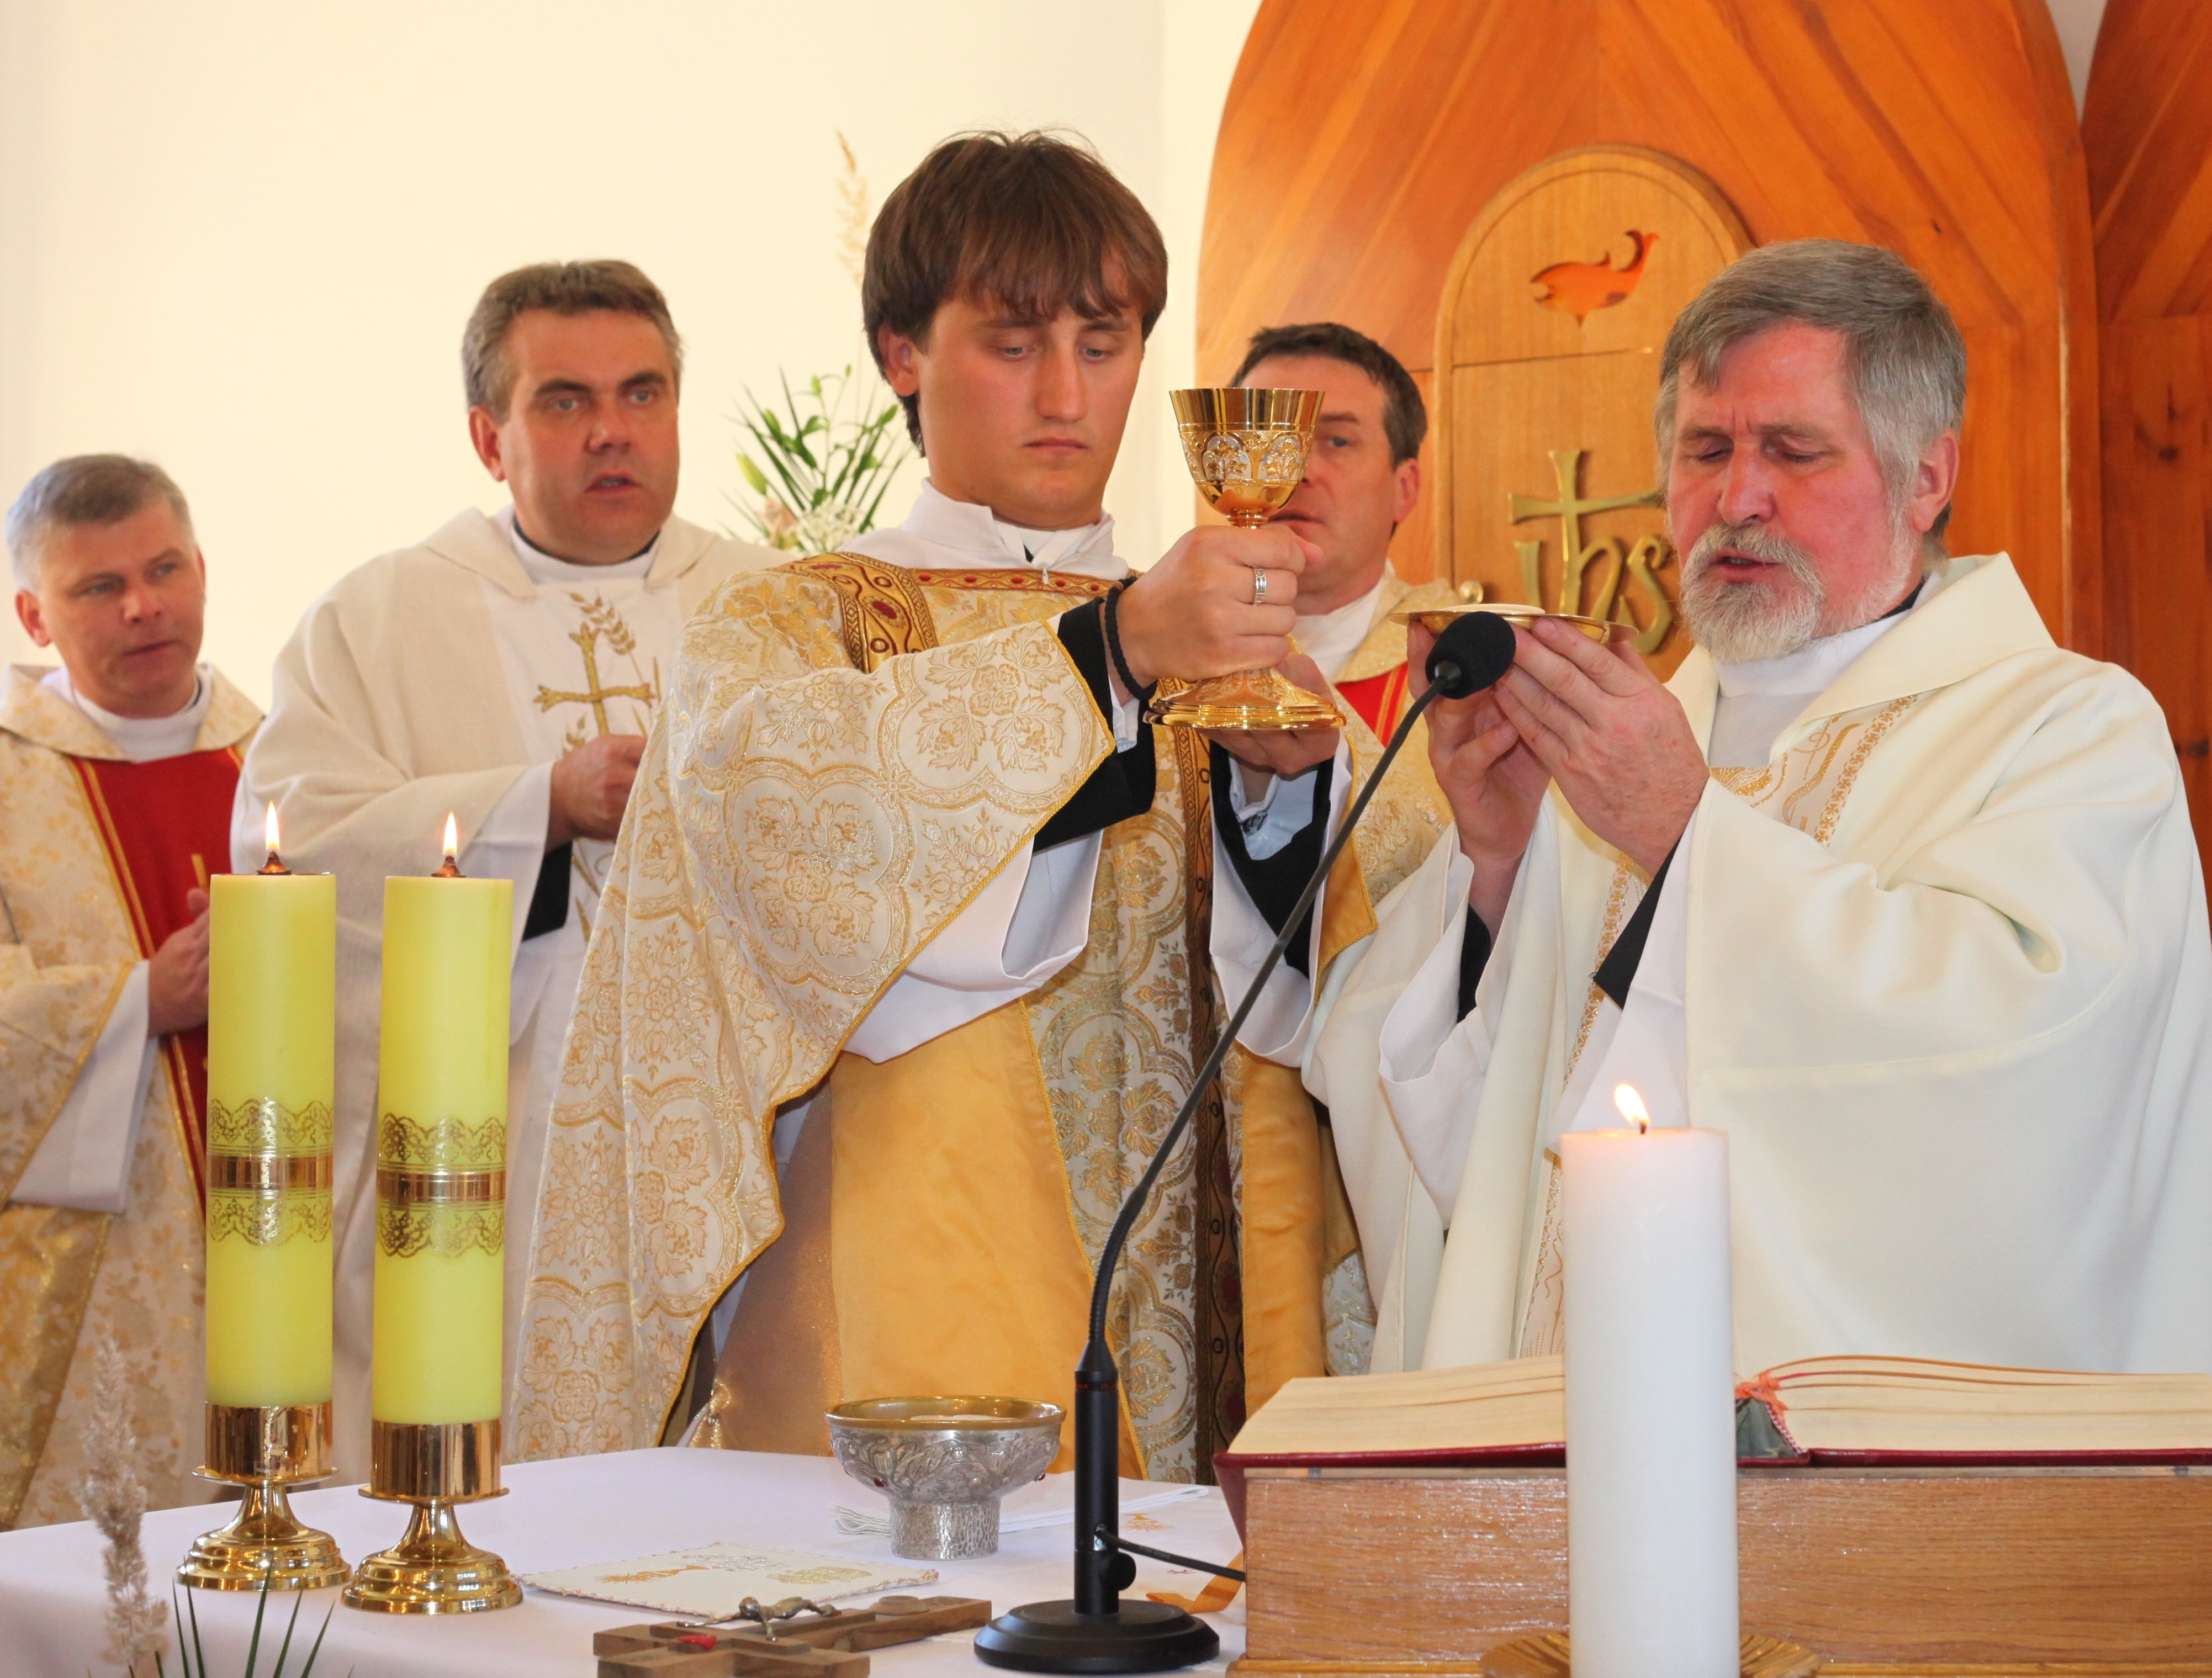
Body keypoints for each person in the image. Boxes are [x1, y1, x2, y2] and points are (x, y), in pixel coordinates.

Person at [513, 132, 1444, 1481]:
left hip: (1211, 1284)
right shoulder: (798, 619)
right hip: (914, 1285)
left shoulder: (1221, 634)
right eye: (1011, 344)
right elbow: (804, 830)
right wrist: (1108, 657)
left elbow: (1345, 976)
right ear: (901, 353)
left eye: (1104, 339)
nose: (1065, 393)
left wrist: (1280, 809)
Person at [1310, 240, 2212, 1379]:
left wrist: (1689, 836)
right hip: (1556, 1431)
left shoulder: (2066, 731)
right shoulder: (1623, 738)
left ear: (1925, 477)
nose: (1735, 499)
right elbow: (1476, 1152)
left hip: (1852, 1475)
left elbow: (2022, 1069)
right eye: (1703, 450)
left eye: (1792, 450)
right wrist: (1495, 868)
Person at [234, 261, 775, 1473]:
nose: (611, 431)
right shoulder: (378, 616)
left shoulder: (768, 604)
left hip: (733, 1131)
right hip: (491, 1140)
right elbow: (285, 838)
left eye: (642, 393)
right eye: (563, 401)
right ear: (490, 435)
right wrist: (536, 808)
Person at [0, 456, 258, 1541]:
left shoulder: (295, 766)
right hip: (90, 1302)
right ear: (32, 614)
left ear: (202, 568)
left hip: (304, 1250)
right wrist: (140, 998)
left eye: (164, 568)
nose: (145, 606)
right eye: (99, 587)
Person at [1233, 321, 1430, 742]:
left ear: (1404, 488)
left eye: (1337, 441)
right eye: (1266, 440)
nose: (1297, 472)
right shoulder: (1160, 654)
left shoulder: (1472, 675)